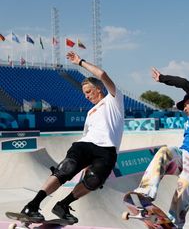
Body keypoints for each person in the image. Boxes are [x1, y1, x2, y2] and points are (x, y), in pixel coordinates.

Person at [20, 51, 124, 223]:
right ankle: (32, 205)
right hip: (85, 145)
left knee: (94, 181)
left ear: (99, 89)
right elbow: (86, 135)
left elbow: (102, 74)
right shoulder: (90, 112)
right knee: (66, 169)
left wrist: (80, 62)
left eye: (89, 91)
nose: (87, 96)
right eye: (84, 93)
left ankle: (63, 205)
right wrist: (86, 162)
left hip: (107, 151)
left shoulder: (114, 100)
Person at [134, 67, 189, 228]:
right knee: (165, 151)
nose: (184, 109)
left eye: (185, 105)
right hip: (184, 156)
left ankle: (174, 223)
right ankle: (146, 192)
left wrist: (163, 78)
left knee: (184, 186)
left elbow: (184, 83)